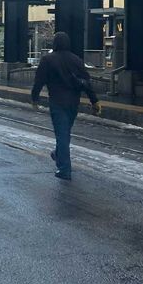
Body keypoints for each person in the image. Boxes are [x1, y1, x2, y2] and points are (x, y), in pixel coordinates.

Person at [31, 31, 101, 180]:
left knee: (62, 135)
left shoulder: (47, 60)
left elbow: (39, 81)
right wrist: (94, 101)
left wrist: (34, 98)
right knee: (65, 134)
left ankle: (64, 169)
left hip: (57, 102)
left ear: (54, 43)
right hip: (73, 103)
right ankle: (58, 154)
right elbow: (87, 82)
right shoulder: (76, 60)